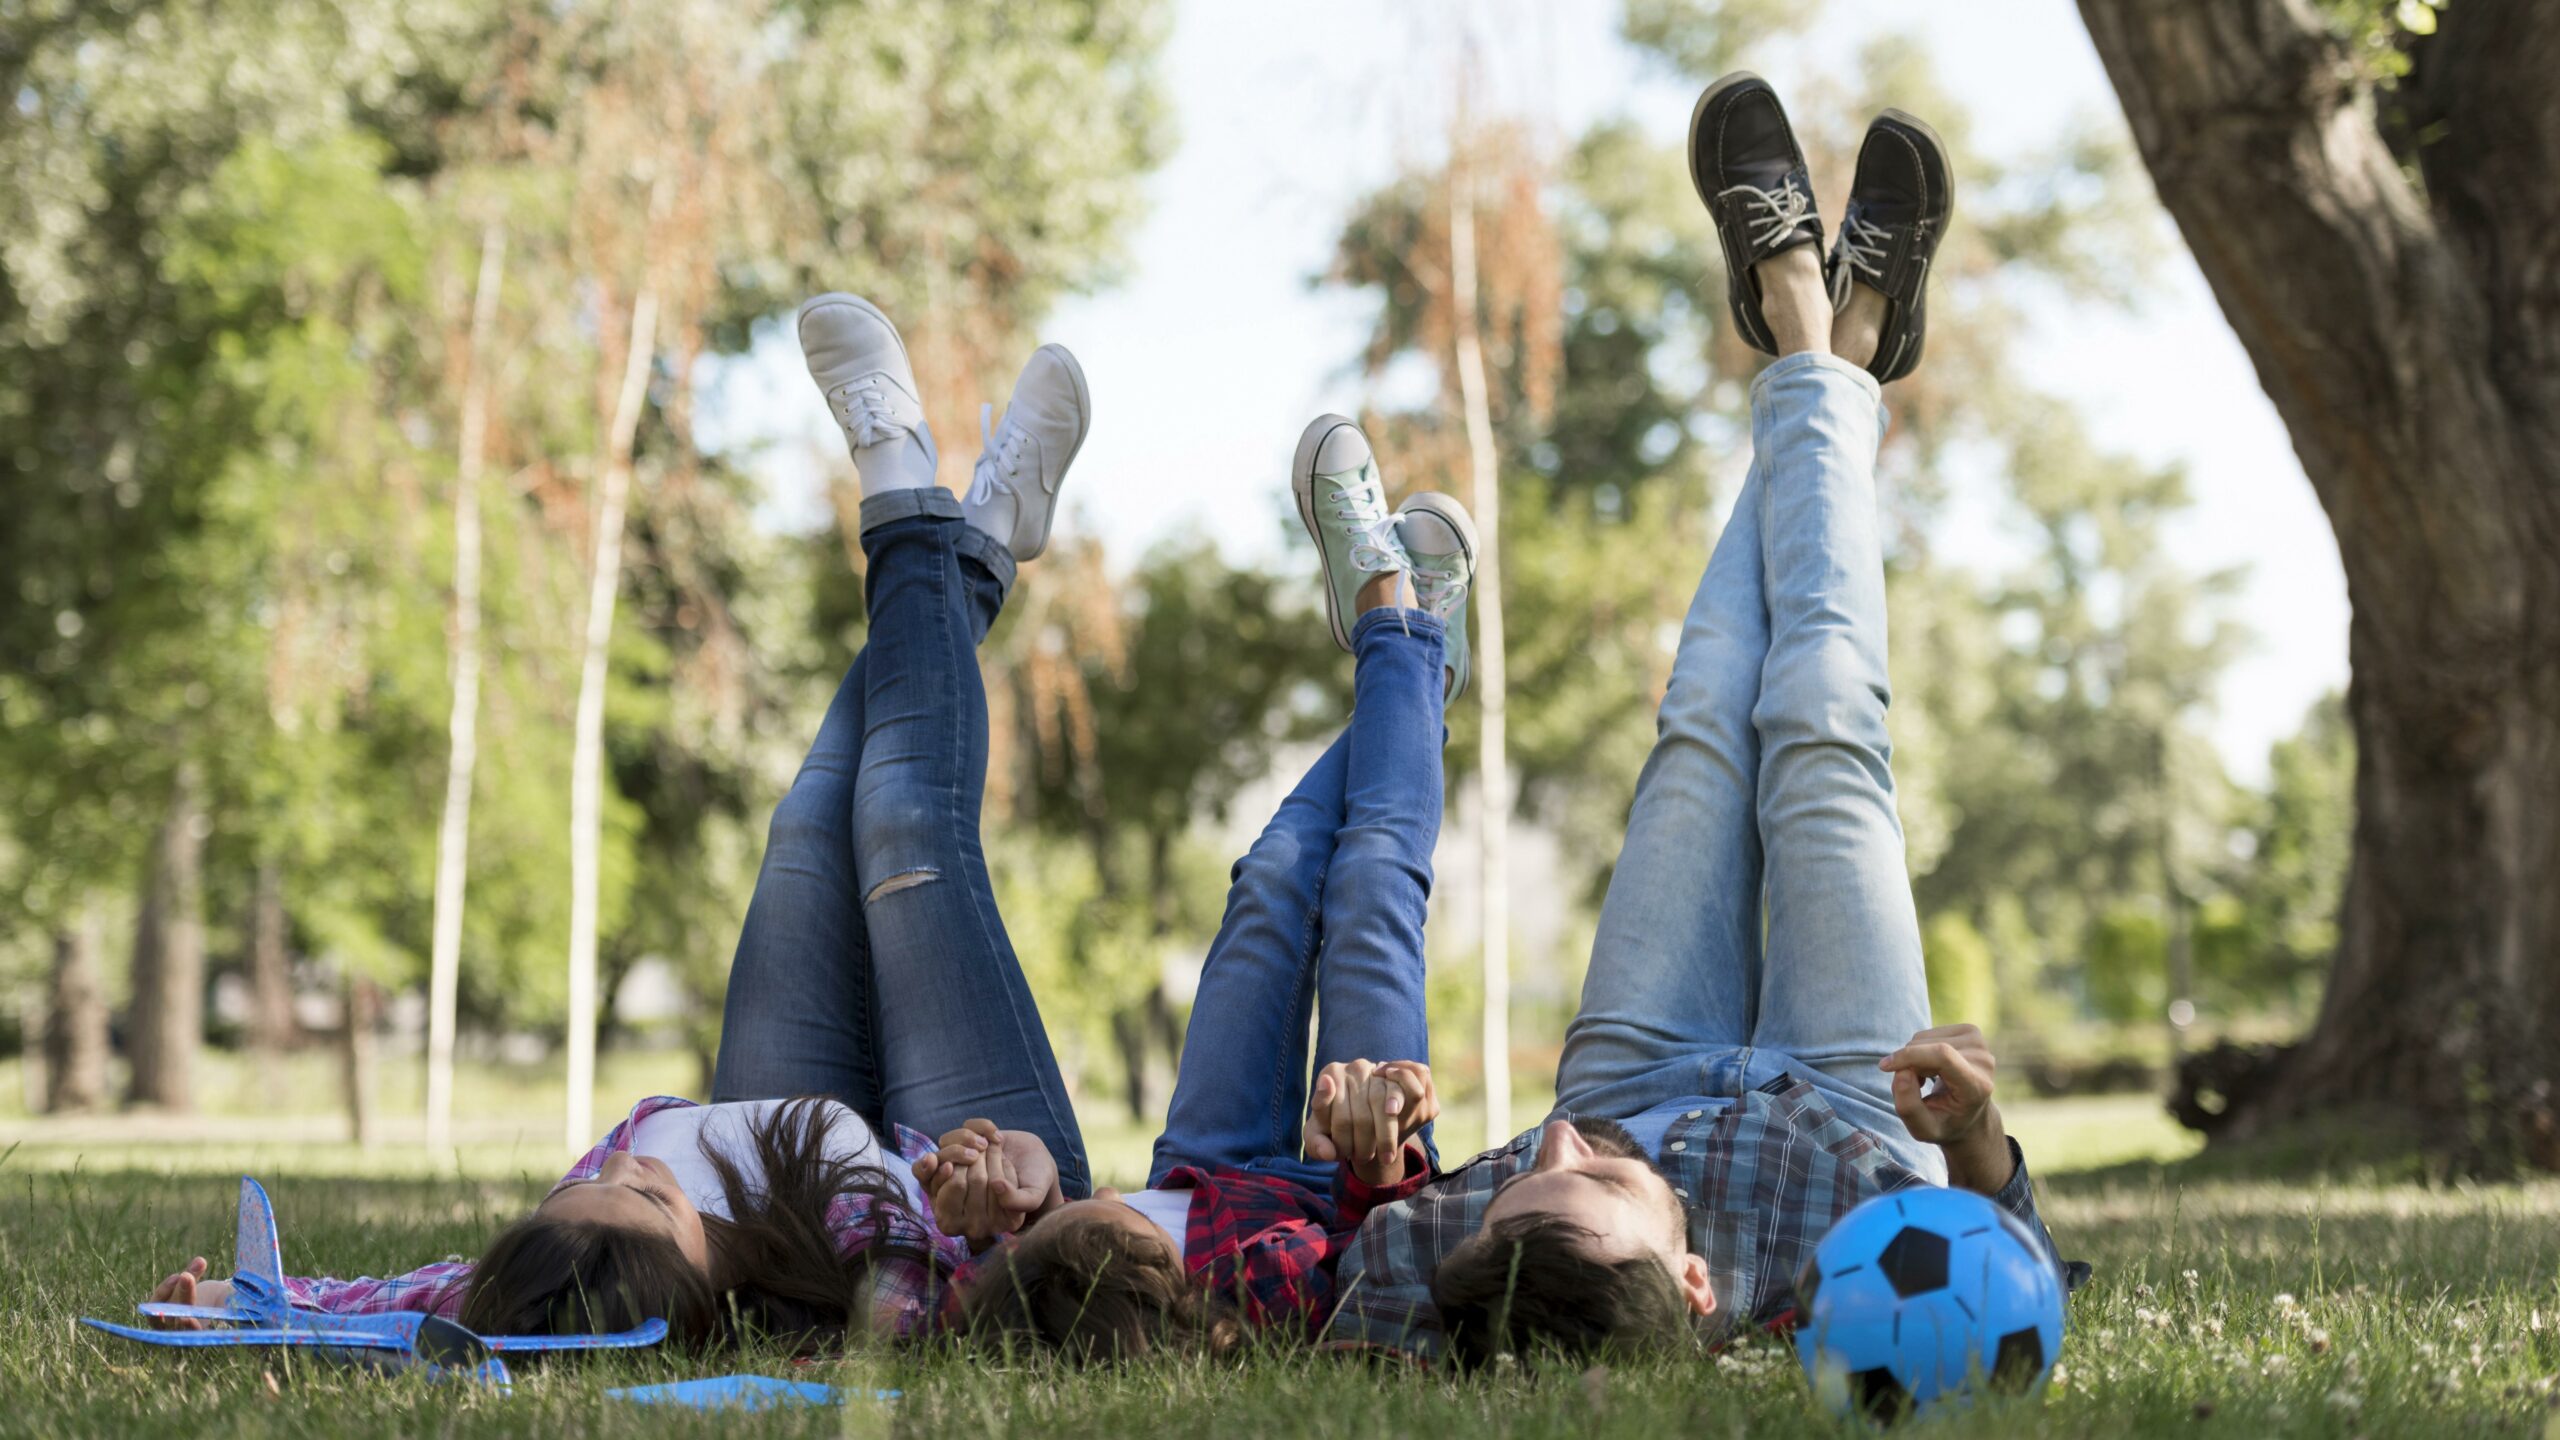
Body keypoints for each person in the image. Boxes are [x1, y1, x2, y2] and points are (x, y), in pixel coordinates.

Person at [144, 291, 1108, 1347]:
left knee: (803, 826)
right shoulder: (864, 1277)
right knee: (901, 823)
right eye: (644, 1197)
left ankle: (963, 549)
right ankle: (908, 488)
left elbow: (397, 1305)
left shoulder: (554, 1280)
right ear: (700, 1298)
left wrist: (238, 1310)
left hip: (785, 1136)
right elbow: (962, 1309)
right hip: (996, 1177)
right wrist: (1003, 1196)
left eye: (578, 1184)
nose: (621, 1163)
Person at [1328, 74, 2078, 1367]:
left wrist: (1373, 1148)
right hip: (1858, 1090)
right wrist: (1968, 1140)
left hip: (1634, 1063)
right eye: (1595, 1185)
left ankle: (1821, 343)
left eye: (1519, 1180)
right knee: (1824, 717)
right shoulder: (1844, 1262)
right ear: (1692, 1282)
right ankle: (1820, 335)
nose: (1553, 1146)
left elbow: (1361, 1291)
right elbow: (2018, 1290)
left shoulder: (1455, 1271)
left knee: (1705, 713)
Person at [922, 415, 1482, 1362]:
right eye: (1103, 1212)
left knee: (1268, 879)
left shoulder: (1022, 1299)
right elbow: (1378, 1266)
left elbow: (977, 1277)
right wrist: (1380, 1155)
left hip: (1205, 1154)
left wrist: (1017, 1194)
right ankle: (1397, 617)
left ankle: (1416, 651)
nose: (1099, 1196)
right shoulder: (1254, 1303)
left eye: (1083, 1207)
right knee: (1373, 879)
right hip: (1347, 1150)